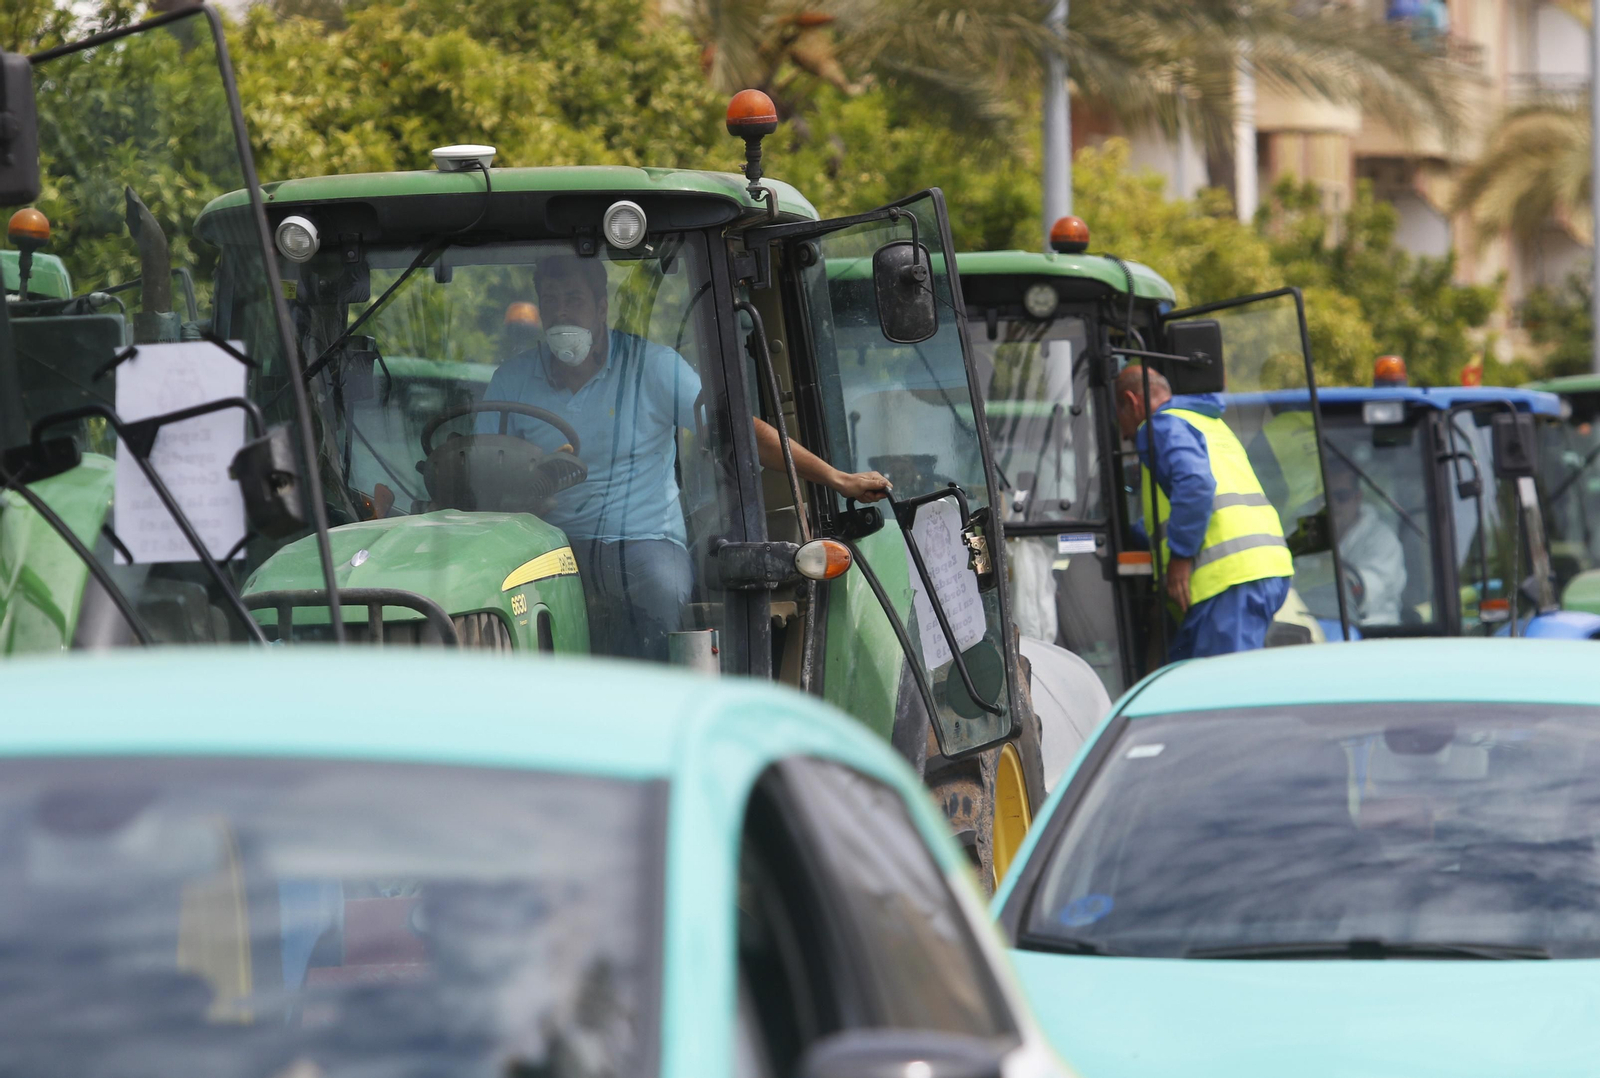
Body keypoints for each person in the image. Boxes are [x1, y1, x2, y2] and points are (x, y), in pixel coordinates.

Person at [482, 253, 890, 660]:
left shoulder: (653, 368)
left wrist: (838, 479)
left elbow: (740, 431)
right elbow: (486, 470)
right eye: (551, 300)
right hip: (552, 543)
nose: (561, 311)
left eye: (574, 298)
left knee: (660, 593)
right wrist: (526, 486)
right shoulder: (513, 380)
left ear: (601, 307)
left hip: (644, 541)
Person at [1116, 364, 1294, 661]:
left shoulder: (1160, 425)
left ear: (1133, 402)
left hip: (1229, 580)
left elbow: (1197, 484)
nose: (1123, 433)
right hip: (1261, 568)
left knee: (1224, 697)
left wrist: (1180, 558)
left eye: (1118, 416)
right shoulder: (1208, 423)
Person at [1328, 462, 1407, 625]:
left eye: (1341, 497)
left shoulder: (1382, 539)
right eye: (1325, 497)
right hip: (1319, 630)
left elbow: (1366, 592)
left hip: (1375, 635)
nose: (1332, 504)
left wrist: (1324, 575)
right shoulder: (1304, 534)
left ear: (1358, 498)